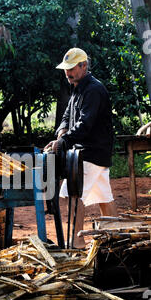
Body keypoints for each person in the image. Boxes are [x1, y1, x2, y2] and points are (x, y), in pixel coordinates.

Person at [44, 47, 117, 248]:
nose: (67, 72)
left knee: (73, 194)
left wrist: (64, 141)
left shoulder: (93, 89)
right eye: (65, 69)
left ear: (84, 66)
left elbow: (85, 124)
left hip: (91, 151)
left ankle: (76, 242)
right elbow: (67, 116)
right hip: (90, 151)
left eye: (72, 68)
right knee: (104, 197)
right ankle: (118, 238)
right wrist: (61, 131)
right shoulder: (78, 87)